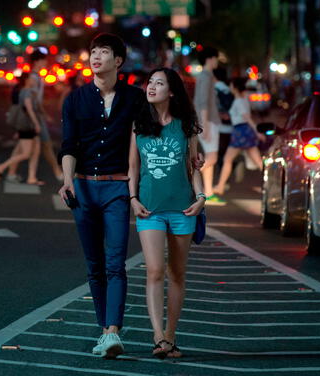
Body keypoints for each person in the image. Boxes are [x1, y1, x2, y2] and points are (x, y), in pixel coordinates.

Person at [58, 33, 145, 359]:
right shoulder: (75, 99)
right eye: (93, 51)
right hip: (82, 187)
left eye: (103, 52)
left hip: (117, 188)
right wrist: (67, 180)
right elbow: (68, 146)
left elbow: (151, 137)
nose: (96, 57)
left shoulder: (135, 99)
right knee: (94, 265)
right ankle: (104, 330)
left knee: (115, 263)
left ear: (118, 61)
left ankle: (113, 331)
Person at [128, 68, 205, 359]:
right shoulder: (139, 124)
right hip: (149, 209)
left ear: (171, 91)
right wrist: (133, 198)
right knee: (154, 270)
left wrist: (201, 198)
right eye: (150, 82)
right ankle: (158, 336)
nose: (151, 87)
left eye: (159, 83)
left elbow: (193, 168)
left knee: (177, 273)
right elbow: (133, 168)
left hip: (183, 209)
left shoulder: (186, 126)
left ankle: (171, 337)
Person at [6, 49, 63, 184]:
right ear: (37, 61)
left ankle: (11, 173)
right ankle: (57, 173)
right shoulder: (33, 78)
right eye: (44, 60)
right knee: (45, 145)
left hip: (34, 116)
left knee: (23, 145)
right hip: (34, 117)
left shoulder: (36, 76)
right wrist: (41, 115)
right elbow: (33, 100)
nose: (46, 63)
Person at [214, 77, 265, 196]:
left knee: (228, 159)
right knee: (257, 161)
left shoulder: (239, 101)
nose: (230, 88)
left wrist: (257, 131)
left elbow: (246, 117)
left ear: (235, 88)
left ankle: (220, 186)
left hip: (240, 131)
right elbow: (243, 117)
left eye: (231, 85)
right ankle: (271, 184)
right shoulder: (242, 100)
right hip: (244, 131)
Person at [0, 72, 43, 183]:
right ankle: (1, 167)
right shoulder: (26, 93)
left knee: (34, 151)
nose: (33, 80)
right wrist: (36, 124)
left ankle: (32, 177)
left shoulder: (26, 92)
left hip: (27, 126)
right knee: (26, 153)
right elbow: (29, 110)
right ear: (26, 80)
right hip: (27, 126)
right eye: (31, 78)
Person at [193, 47, 225, 205]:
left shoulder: (206, 76)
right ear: (210, 59)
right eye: (216, 58)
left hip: (207, 120)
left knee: (209, 157)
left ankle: (208, 192)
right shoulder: (206, 76)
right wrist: (204, 124)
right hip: (208, 121)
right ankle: (192, 186)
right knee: (212, 158)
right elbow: (203, 102)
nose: (217, 61)